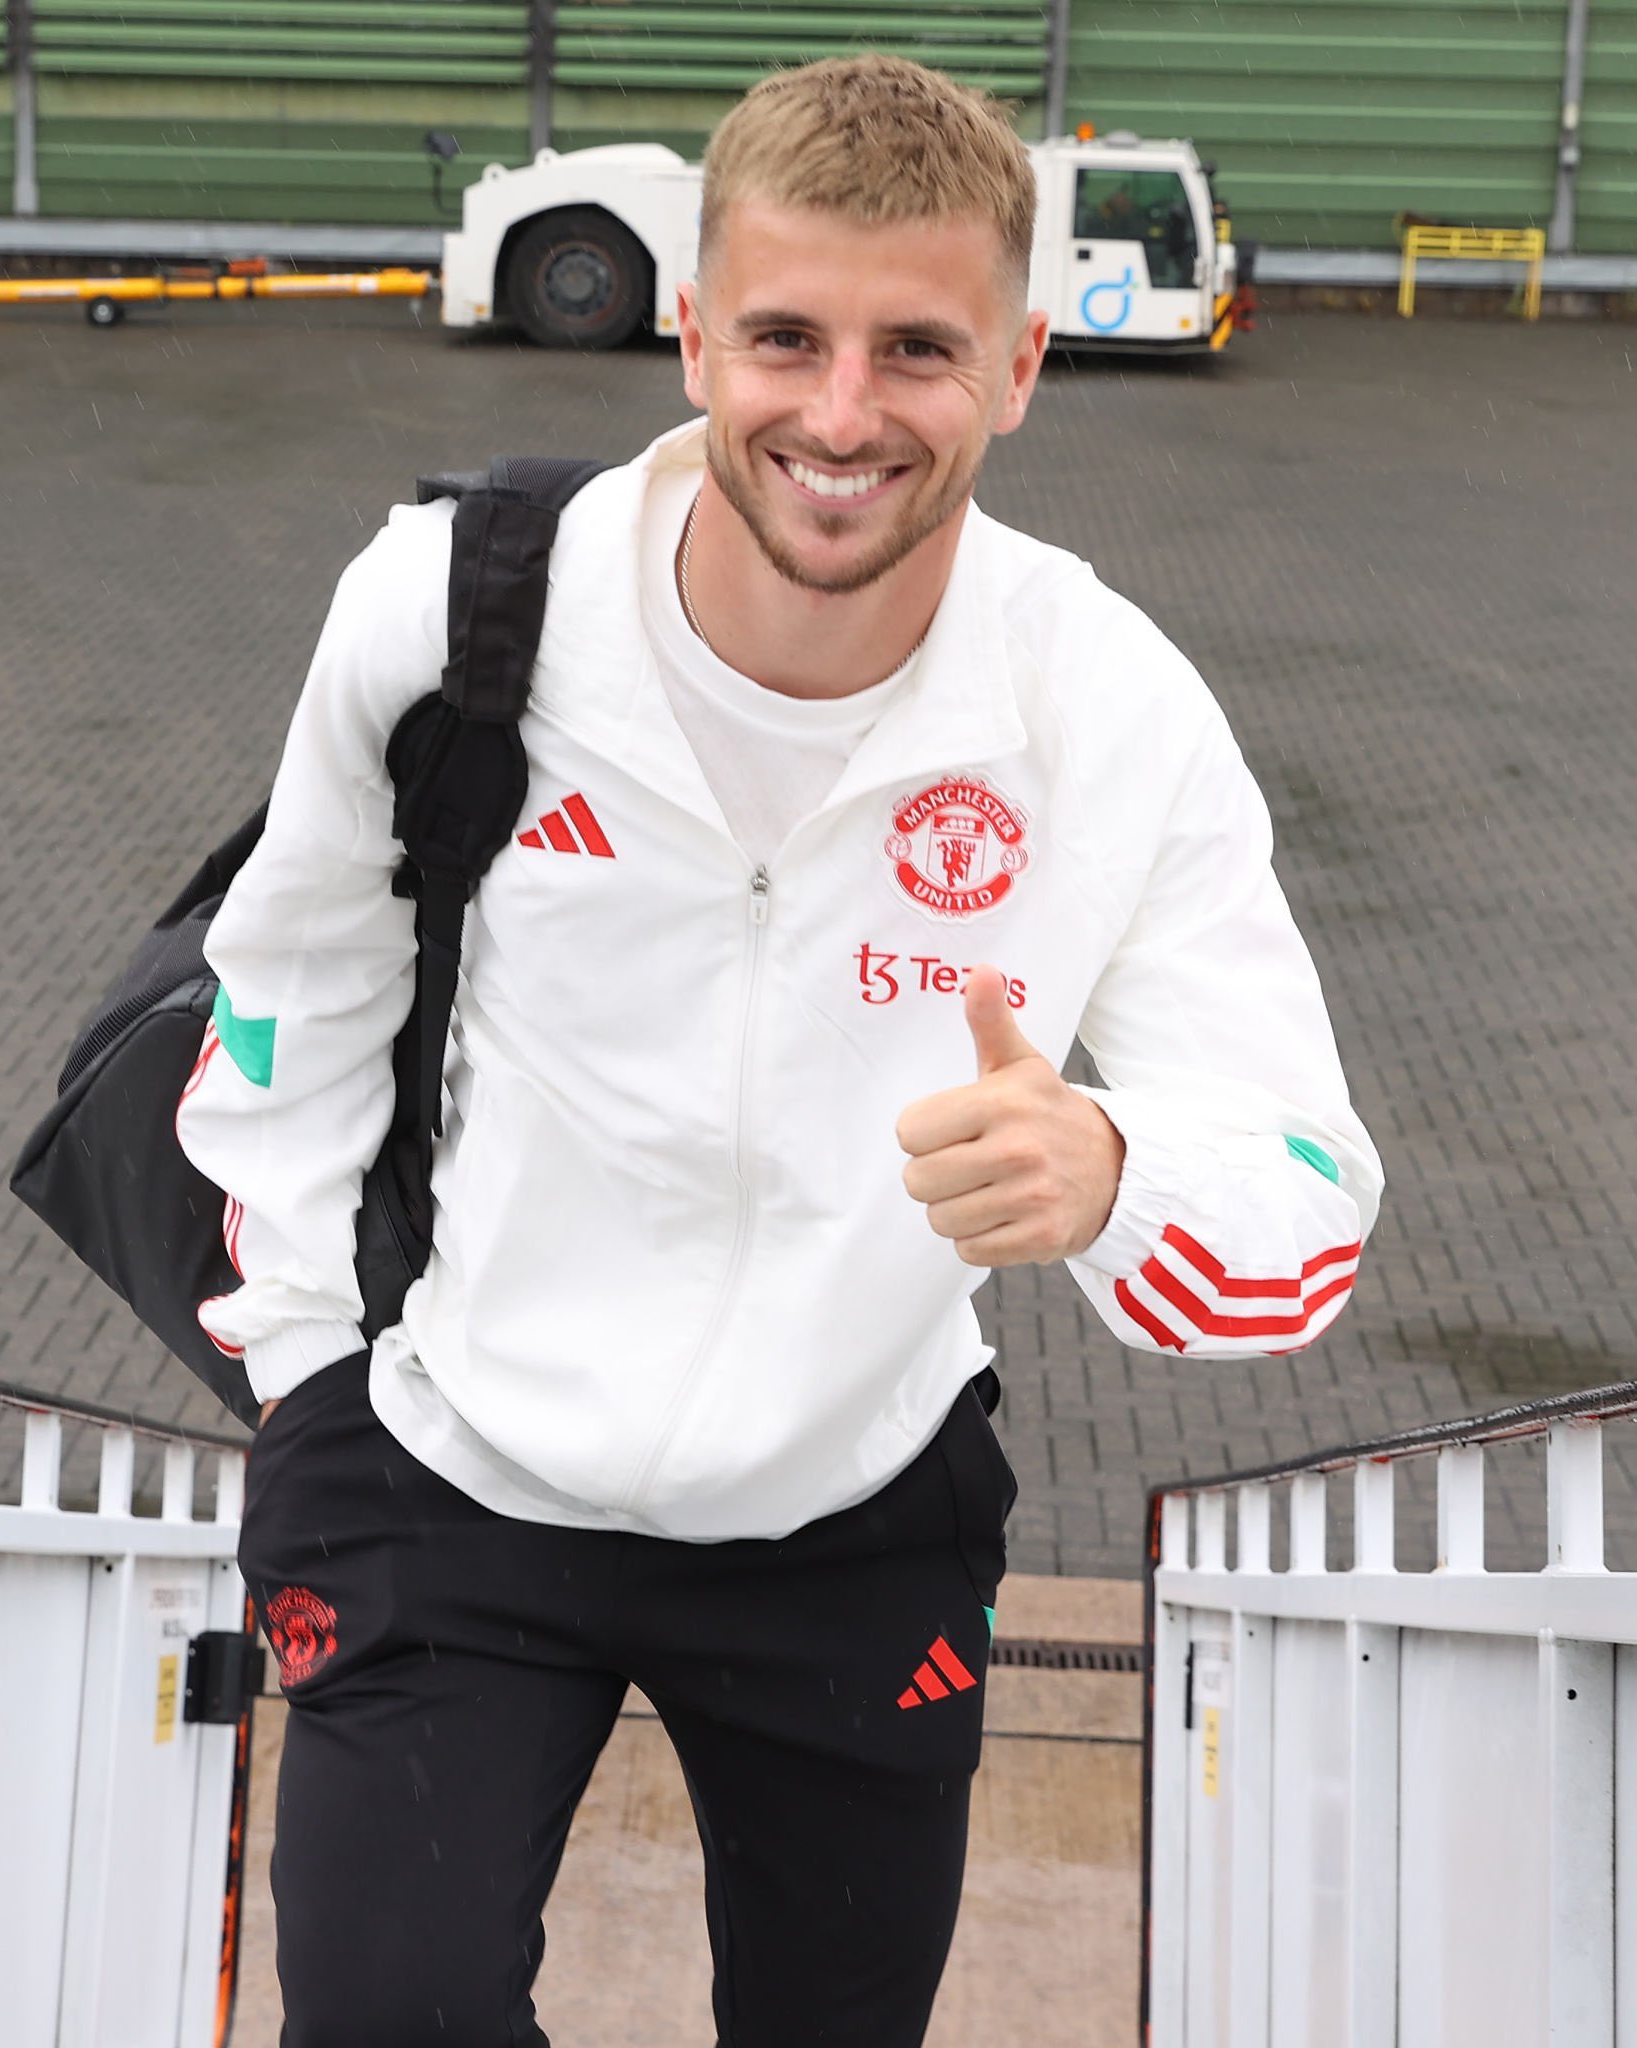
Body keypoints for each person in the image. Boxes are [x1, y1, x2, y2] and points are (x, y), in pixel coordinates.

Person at [178, 53, 1382, 2047]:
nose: (840, 413)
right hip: (460, 1475)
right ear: (689, 336)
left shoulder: (1106, 710)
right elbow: (284, 1002)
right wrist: (311, 1386)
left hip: (856, 1512)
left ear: (1017, 366)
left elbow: (1313, 1194)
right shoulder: (455, 612)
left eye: (917, 346)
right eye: (784, 337)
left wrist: (1114, 1173)